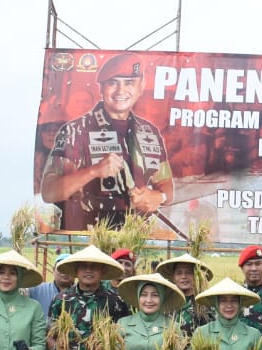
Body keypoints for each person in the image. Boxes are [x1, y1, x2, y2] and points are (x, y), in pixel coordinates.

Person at [39, 53, 175, 228]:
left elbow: (167, 185)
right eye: (113, 83)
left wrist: (159, 196)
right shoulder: (76, 130)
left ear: (141, 86)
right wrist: (93, 171)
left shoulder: (149, 132)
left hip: (136, 237)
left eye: (129, 83)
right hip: (89, 237)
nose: (120, 91)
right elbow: (49, 192)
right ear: (101, 89)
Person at [45, 245, 129, 350]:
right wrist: (55, 348)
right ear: (76, 270)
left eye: (94, 267)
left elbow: (125, 338)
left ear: (103, 270)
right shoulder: (62, 299)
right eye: (84, 266)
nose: (88, 271)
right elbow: (49, 336)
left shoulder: (115, 301)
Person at [158, 253, 212, 333]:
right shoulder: (166, 303)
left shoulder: (203, 303)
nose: (183, 276)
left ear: (196, 276)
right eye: (179, 273)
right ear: (173, 277)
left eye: (189, 272)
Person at [237, 246, 262, 327]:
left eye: (258, 264)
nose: (254, 268)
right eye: (249, 264)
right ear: (242, 268)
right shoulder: (235, 294)